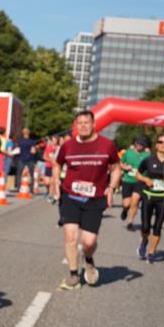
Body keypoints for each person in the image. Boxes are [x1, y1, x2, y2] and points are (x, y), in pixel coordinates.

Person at [51, 110, 121, 290]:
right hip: (70, 196)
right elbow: (57, 164)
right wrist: (56, 180)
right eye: (79, 123)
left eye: (86, 123)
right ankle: (74, 275)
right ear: (75, 126)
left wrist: (111, 187)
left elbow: (115, 168)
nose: (83, 126)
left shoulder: (107, 145)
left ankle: (88, 259)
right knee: (70, 236)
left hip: (95, 199)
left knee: (88, 242)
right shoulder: (68, 146)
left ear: (93, 124)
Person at [135, 134, 164, 263]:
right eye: (160, 142)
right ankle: (144, 241)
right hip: (148, 195)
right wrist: (145, 179)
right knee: (145, 227)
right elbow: (138, 174)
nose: (163, 144)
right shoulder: (149, 160)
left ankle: (151, 252)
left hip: (163, 197)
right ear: (156, 145)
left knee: (158, 226)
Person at [119, 136, 150, 231]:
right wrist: (125, 167)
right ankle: (125, 210)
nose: (139, 145)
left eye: (142, 144)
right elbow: (121, 163)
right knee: (126, 204)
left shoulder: (147, 155)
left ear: (145, 146)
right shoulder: (129, 153)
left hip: (139, 181)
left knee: (135, 201)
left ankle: (130, 222)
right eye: (138, 143)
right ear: (135, 143)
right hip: (127, 180)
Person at [13, 127, 39, 195]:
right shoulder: (32, 142)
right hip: (30, 159)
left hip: (21, 159)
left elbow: (18, 151)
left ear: (23, 133)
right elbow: (33, 151)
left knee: (19, 174)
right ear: (29, 133)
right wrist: (36, 149)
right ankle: (31, 189)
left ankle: (18, 188)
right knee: (31, 174)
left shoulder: (20, 141)